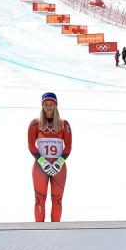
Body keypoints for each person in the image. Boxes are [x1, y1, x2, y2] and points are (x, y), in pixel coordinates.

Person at [27, 92, 72, 222]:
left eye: (51, 104)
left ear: (56, 105)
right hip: (41, 166)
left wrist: (59, 162)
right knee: (39, 198)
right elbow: (31, 145)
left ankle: (56, 229)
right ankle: (39, 230)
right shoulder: (35, 124)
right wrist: (42, 161)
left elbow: (68, 146)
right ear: (42, 106)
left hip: (58, 166)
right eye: (46, 104)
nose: (48, 107)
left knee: (57, 199)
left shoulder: (64, 124)